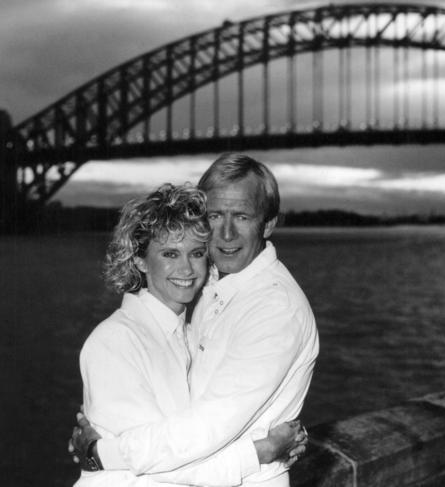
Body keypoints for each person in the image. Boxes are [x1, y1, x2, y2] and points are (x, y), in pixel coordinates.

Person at [72, 153, 319, 486]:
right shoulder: (204, 289)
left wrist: (103, 453)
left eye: (243, 216)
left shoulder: (274, 308)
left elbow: (204, 430)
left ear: (269, 223)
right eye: (216, 215)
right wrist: (262, 450)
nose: (227, 233)